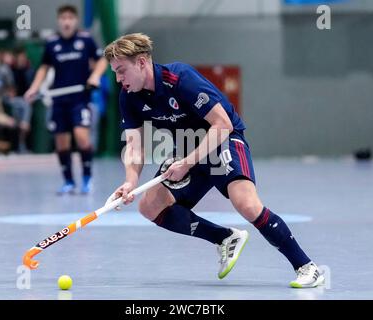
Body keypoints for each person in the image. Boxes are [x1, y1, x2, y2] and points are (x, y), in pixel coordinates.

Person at [103, 33, 324, 288]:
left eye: (121, 71)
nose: (119, 80)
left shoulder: (180, 78)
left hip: (223, 140)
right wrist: (130, 182)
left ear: (141, 62)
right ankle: (225, 238)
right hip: (190, 149)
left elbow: (222, 125)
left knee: (247, 205)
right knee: (150, 206)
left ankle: (307, 266)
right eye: (116, 73)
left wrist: (186, 163)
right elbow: (134, 145)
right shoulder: (129, 96)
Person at [24, 4, 108, 195]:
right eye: (63, 18)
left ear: (76, 20)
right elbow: (44, 68)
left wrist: (95, 76)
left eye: (70, 18)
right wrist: (34, 88)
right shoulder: (52, 43)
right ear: (59, 21)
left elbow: (102, 60)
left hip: (80, 99)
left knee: (82, 138)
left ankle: (87, 178)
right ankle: (69, 181)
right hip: (58, 99)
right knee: (61, 143)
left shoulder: (85, 40)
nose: (67, 22)